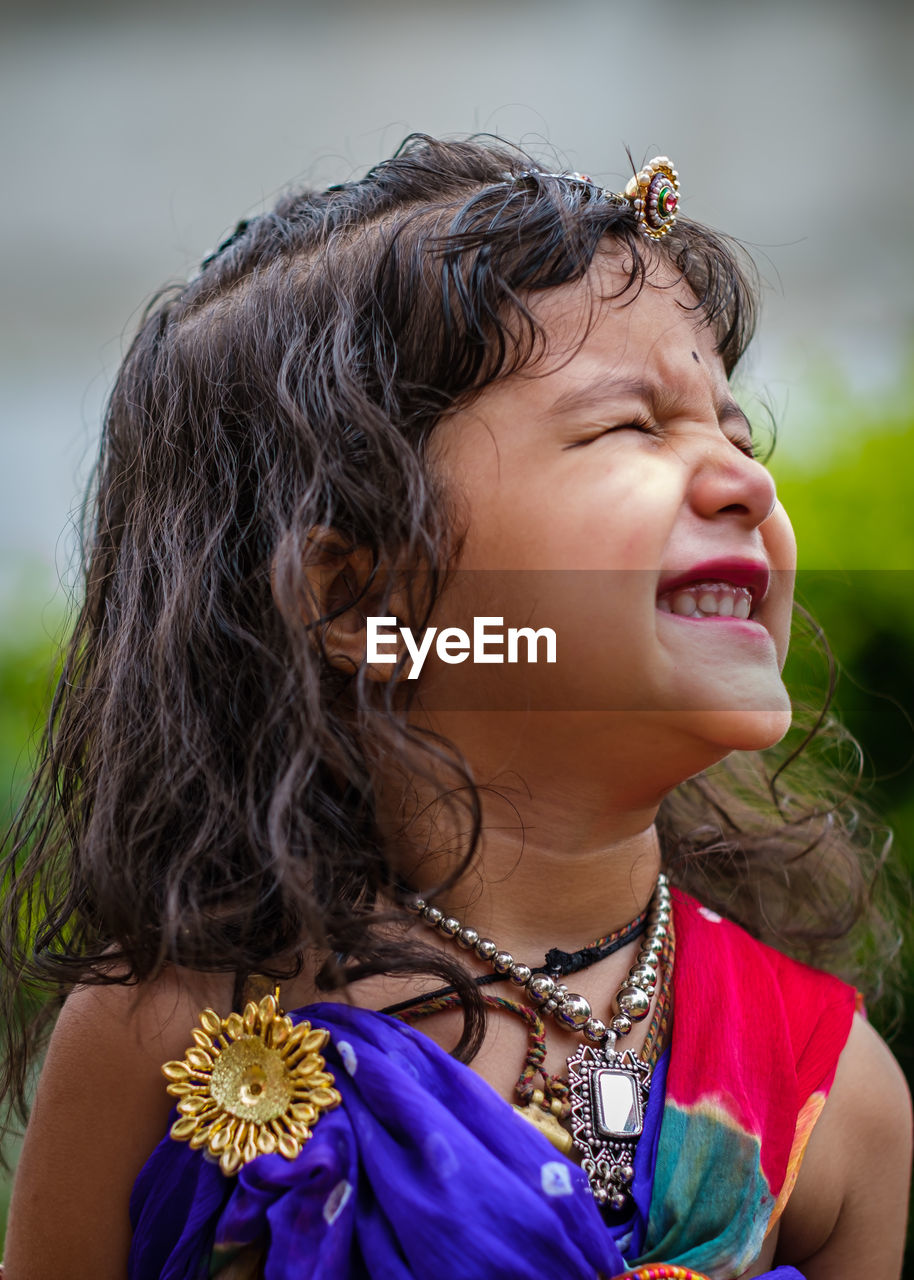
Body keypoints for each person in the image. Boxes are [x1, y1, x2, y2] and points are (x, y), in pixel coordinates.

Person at [0, 134, 910, 1280]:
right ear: (357, 593)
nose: (748, 478)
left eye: (733, 428)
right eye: (627, 425)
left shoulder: (835, 1093)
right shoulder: (168, 1029)